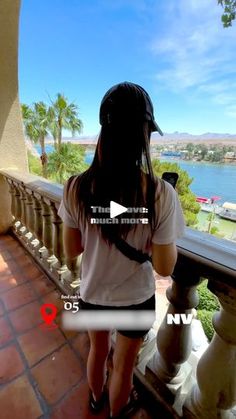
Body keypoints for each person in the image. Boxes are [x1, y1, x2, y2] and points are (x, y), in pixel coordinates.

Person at [58, 81, 185, 418]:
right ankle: (118, 412)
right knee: (124, 368)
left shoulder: (75, 187)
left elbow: (71, 250)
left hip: (93, 293)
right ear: (144, 137)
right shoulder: (160, 194)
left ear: (104, 133)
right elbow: (164, 267)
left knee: (98, 353)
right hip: (134, 300)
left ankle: (95, 400)